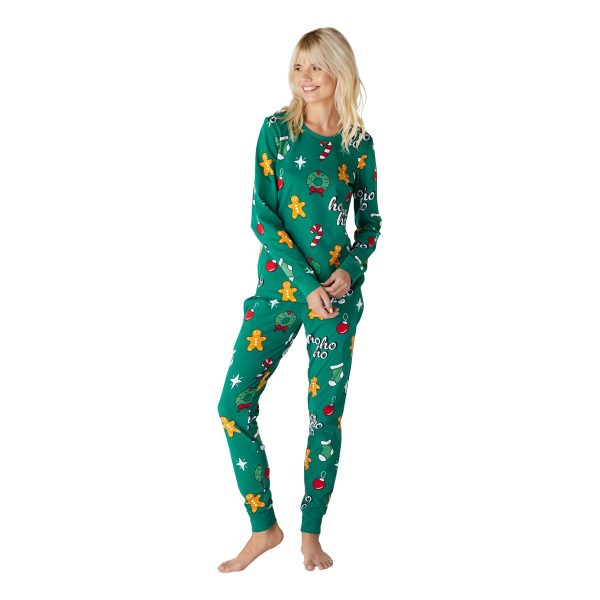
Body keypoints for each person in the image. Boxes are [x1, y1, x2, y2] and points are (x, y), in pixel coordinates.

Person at [217, 27, 382, 572]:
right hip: (279, 292)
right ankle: (264, 527)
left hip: (335, 302)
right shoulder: (277, 132)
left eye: (316, 66)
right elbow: (262, 217)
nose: (304, 78)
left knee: (324, 418)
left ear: (340, 71)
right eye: (297, 66)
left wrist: (349, 271)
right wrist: (305, 285)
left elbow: (371, 223)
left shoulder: (358, 145)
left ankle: (311, 533)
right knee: (233, 405)